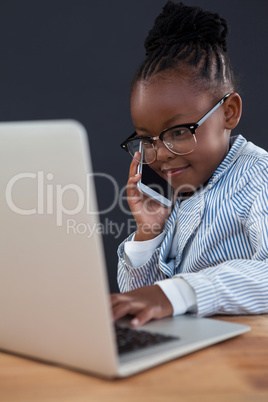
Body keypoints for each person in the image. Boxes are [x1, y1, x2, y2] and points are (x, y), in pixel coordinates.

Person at [111, 1, 268, 327]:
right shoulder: (176, 194)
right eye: (148, 139)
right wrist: (149, 232)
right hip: (186, 354)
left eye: (179, 132)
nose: (163, 153)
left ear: (229, 113)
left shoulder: (258, 176)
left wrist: (178, 292)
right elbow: (143, 306)